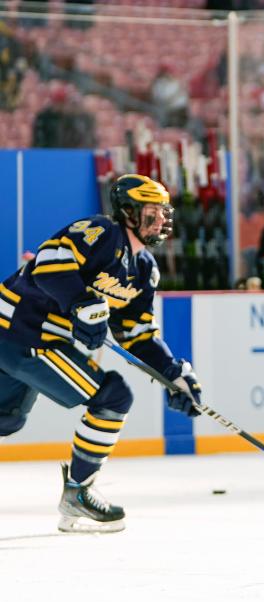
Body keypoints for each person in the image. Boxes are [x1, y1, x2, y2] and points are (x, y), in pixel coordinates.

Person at [0, 174, 202, 534]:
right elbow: (49, 263)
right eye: (151, 212)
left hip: (25, 340)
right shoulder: (101, 233)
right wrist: (82, 302)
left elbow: (138, 335)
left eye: (163, 213)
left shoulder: (143, 271)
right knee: (113, 396)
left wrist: (173, 375)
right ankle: (78, 491)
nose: (161, 221)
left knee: (7, 420)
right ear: (128, 211)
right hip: (24, 333)